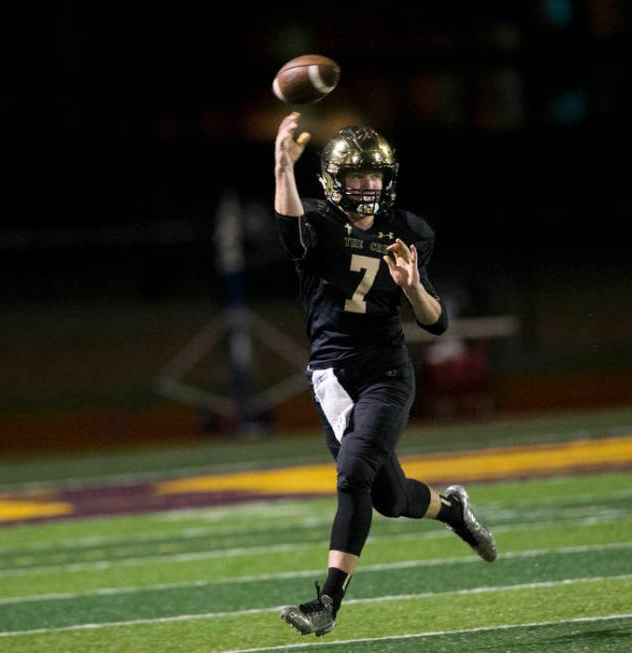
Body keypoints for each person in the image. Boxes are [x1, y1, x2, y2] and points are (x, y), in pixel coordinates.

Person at [273, 112, 497, 637]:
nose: (368, 185)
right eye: (357, 176)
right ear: (334, 181)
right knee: (390, 499)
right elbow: (288, 236)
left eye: (375, 175)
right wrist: (282, 166)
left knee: (353, 474)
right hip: (330, 376)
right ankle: (453, 510)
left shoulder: (408, 231)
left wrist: (412, 284)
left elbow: (437, 322)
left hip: (386, 372)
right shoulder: (318, 223)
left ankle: (326, 603)